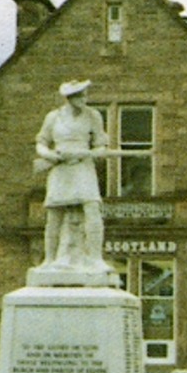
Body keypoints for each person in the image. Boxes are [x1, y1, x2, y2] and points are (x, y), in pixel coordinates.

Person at [34, 79, 111, 270]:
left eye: (85, 94)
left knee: (92, 208)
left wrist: (89, 154)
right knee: (54, 214)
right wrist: (51, 155)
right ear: (70, 98)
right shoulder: (53, 117)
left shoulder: (93, 116)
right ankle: (49, 259)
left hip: (83, 166)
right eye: (80, 95)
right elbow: (41, 143)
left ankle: (95, 258)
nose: (84, 99)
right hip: (60, 168)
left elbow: (102, 146)